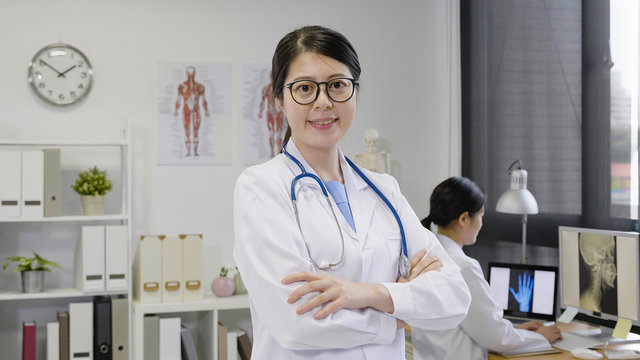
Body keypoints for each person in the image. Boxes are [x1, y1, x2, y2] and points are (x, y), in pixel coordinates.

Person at [233, 26, 471, 360]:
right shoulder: (260, 187)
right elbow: (297, 325)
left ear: (355, 92)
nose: (324, 101)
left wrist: (364, 293)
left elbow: (455, 298)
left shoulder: (383, 189)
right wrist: (398, 312)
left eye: (338, 85)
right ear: (279, 100)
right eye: (304, 88)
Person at [412, 177, 562, 360]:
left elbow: (474, 326)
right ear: (464, 219)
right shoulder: (463, 267)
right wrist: (541, 337)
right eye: (481, 214)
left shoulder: (425, 256)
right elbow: (497, 339)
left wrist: (512, 329)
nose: (482, 223)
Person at [173, 66, 210, 157]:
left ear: (194, 74)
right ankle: (188, 151)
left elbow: (203, 100)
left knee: (196, 130)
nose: (190, 76)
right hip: (186, 110)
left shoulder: (200, 87)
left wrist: (206, 110)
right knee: (187, 129)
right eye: (189, 74)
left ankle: (195, 151)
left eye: (192, 74)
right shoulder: (182, 86)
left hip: (196, 110)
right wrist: (176, 110)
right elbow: (178, 99)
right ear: (186, 74)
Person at [579, 233, 617, 313]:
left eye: (612, 253)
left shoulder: (589, 303)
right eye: (607, 255)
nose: (612, 266)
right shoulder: (587, 306)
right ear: (594, 258)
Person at [258, 74, 286, 158]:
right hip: (270, 113)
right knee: (271, 134)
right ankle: (272, 153)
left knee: (279, 134)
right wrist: (260, 112)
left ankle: (278, 153)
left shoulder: (281, 89)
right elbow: (262, 102)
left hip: (279, 113)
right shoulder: (266, 89)